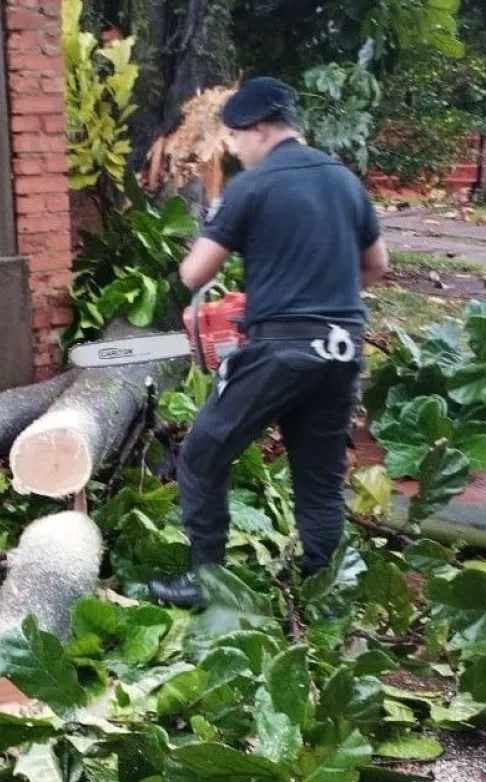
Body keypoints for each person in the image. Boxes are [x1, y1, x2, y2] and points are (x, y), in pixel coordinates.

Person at [149, 75, 390, 609]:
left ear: (259, 128)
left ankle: (207, 583)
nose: (232, 149)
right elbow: (376, 266)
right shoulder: (346, 181)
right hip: (343, 348)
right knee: (319, 475)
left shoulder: (250, 188)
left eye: (235, 137)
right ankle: (322, 590)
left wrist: (217, 230)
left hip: (281, 348)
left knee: (204, 451)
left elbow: (193, 274)